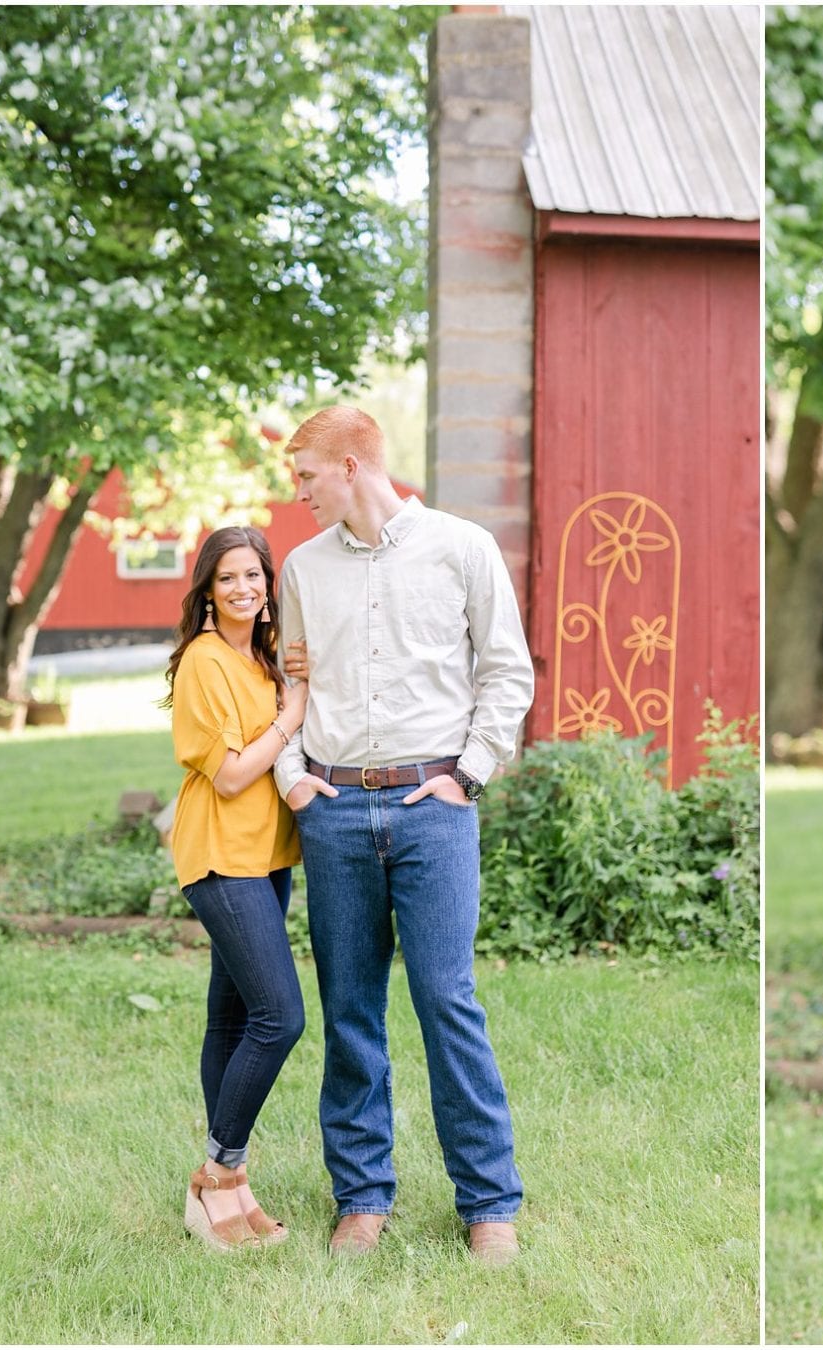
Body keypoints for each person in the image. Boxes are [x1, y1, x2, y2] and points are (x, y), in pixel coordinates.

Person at [271, 405, 534, 1264]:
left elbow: (506, 670)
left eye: (306, 473)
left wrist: (468, 775)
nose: (297, 490)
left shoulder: (462, 548)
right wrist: (294, 781)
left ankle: (489, 1203)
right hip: (336, 811)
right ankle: (362, 1197)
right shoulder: (303, 569)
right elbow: (288, 690)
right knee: (349, 1008)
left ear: (352, 464)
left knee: (446, 1000)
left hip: (434, 812)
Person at [163, 524, 307, 1252]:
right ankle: (217, 1174)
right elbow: (228, 774)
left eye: (254, 575)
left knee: (231, 1018)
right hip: (220, 858)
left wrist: (292, 688)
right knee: (280, 1017)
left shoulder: (261, 660)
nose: (243, 588)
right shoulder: (204, 662)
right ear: (208, 590)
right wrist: (292, 717)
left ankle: (232, 1187)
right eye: (228, 578)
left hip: (269, 857)